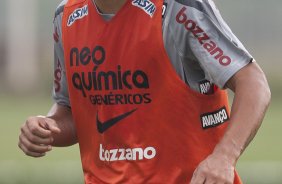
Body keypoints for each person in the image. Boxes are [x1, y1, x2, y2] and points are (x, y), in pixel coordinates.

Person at [18, 0, 271, 183]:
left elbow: (254, 83)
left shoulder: (178, 9)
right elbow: (72, 111)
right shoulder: (65, 18)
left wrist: (224, 157)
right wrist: (46, 128)